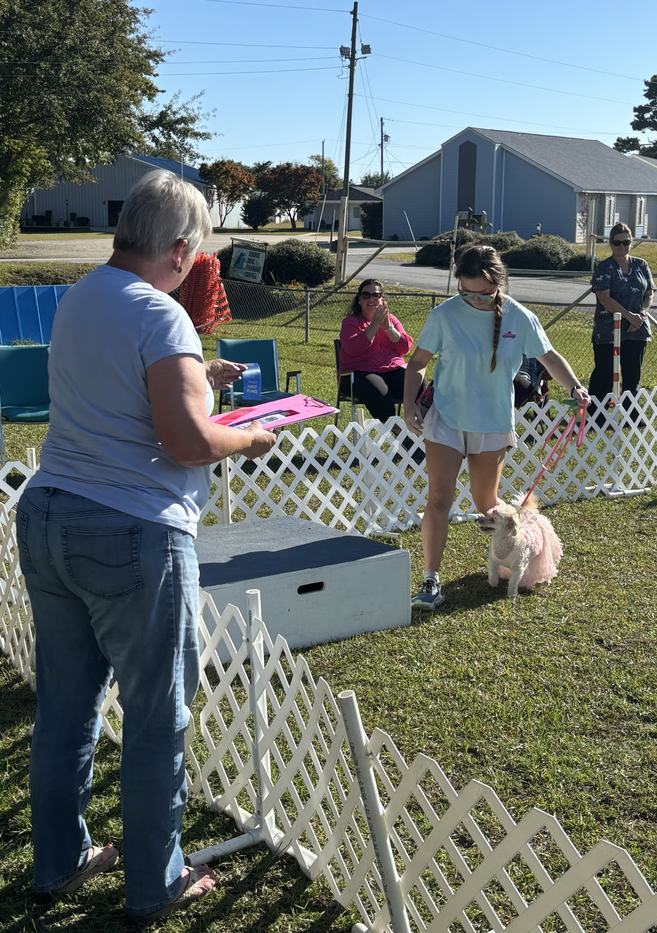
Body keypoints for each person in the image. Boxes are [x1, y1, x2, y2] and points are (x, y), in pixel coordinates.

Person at [16, 170, 276, 921]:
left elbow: (120, 389)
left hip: (49, 513)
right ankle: (156, 879)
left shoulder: (80, 298)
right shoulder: (164, 318)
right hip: (132, 530)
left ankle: (59, 859)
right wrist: (252, 435)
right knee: (158, 715)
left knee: (66, 702)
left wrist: (198, 371)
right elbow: (188, 439)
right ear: (182, 248)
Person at [403, 245, 590, 610]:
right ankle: (430, 580)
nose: (474, 300)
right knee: (439, 498)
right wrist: (409, 403)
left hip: (491, 422)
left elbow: (548, 357)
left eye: (483, 293)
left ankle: (529, 544)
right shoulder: (444, 314)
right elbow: (417, 363)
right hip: (446, 419)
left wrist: (575, 387)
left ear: (499, 285)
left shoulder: (519, 317)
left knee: (487, 505)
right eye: (466, 292)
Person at [588, 222, 655, 421]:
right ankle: (595, 416)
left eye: (626, 242)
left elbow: (649, 293)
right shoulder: (605, 267)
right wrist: (629, 316)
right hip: (608, 331)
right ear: (611, 243)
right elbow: (604, 298)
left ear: (631, 242)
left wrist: (641, 315)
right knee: (604, 374)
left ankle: (631, 415)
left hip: (637, 330)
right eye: (617, 243)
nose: (622, 247)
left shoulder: (641, 265)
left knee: (632, 376)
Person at [339, 279, 414, 422]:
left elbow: (405, 348)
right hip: (359, 373)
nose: (371, 299)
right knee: (378, 391)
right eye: (366, 295)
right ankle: (401, 436)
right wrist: (375, 324)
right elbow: (354, 349)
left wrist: (388, 327)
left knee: (417, 383)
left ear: (382, 300)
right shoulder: (350, 322)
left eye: (376, 295)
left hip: (392, 370)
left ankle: (424, 432)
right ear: (359, 300)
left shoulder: (391, 319)